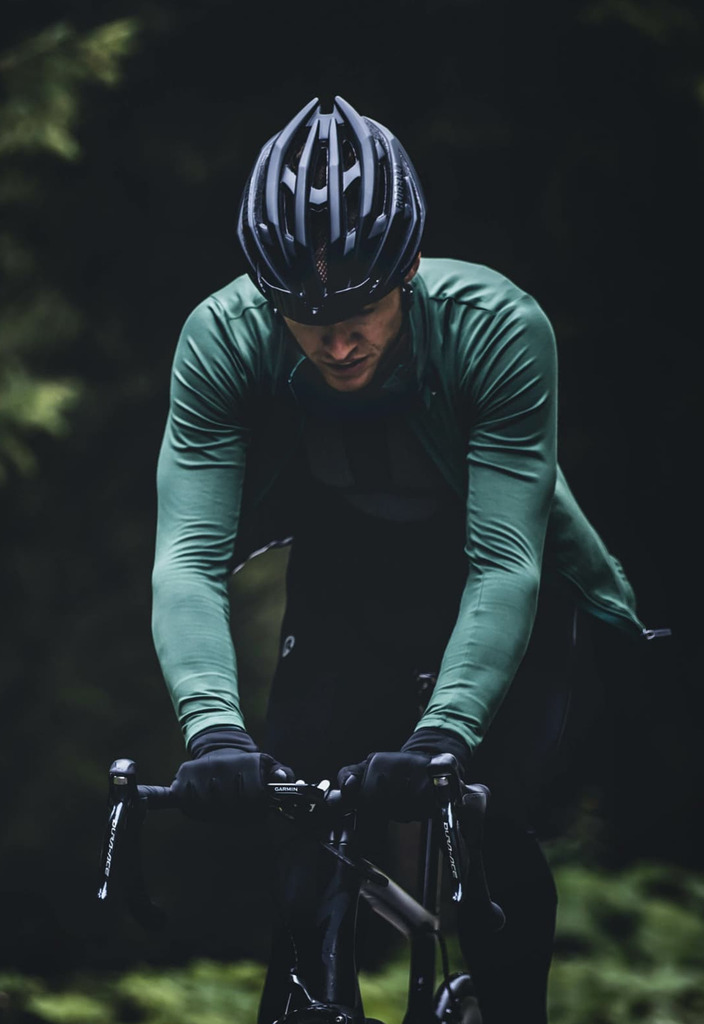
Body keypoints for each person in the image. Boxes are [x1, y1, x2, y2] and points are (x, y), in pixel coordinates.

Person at [151, 95, 656, 1024]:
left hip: (500, 575)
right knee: (300, 837)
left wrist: (442, 737)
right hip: (352, 575)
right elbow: (188, 555)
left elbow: (505, 562)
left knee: (491, 823)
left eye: (360, 309)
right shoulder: (222, 338)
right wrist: (212, 729)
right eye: (304, 316)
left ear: (409, 270)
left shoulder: (497, 328)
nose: (337, 341)